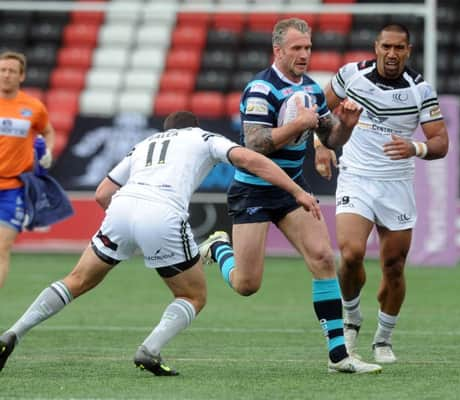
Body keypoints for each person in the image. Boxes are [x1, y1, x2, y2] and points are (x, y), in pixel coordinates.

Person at [0, 111, 322, 376]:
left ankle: (14, 331)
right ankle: (149, 350)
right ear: (193, 126)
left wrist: (130, 229)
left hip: (122, 207)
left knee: (77, 280)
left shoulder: (144, 144)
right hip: (163, 211)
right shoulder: (203, 137)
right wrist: (295, 191)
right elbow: (251, 160)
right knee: (192, 295)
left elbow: (101, 194)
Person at [198, 18, 382, 374]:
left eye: (308, 47)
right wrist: (299, 124)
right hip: (253, 189)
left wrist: (346, 125)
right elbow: (255, 143)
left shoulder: (313, 89)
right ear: (278, 51)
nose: (304, 54)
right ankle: (219, 247)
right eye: (297, 48)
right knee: (247, 285)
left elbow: (330, 141)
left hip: (292, 188)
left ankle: (338, 356)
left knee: (323, 260)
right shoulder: (260, 89)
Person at [313, 23, 449, 364]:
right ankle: (351, 317)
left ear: (408, 51)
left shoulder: (420, 89)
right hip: (356, 177)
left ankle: (383, 339)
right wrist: (320, 144)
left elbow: (440, 142)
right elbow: (318, 110)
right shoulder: (351, 76)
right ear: (376, 47)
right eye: (386, 46)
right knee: (351, 252)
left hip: (396, 184)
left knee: (393, 266)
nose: (392, 54)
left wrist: (415, 147)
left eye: (399, 48)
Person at [0, 51, 55, 288]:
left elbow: (48, 131)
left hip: (14, 188)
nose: (6, 75)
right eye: (2, 70)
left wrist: (48, 152)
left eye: (12, 71)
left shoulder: (33, 107)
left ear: (21, 76)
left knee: (2, 248)